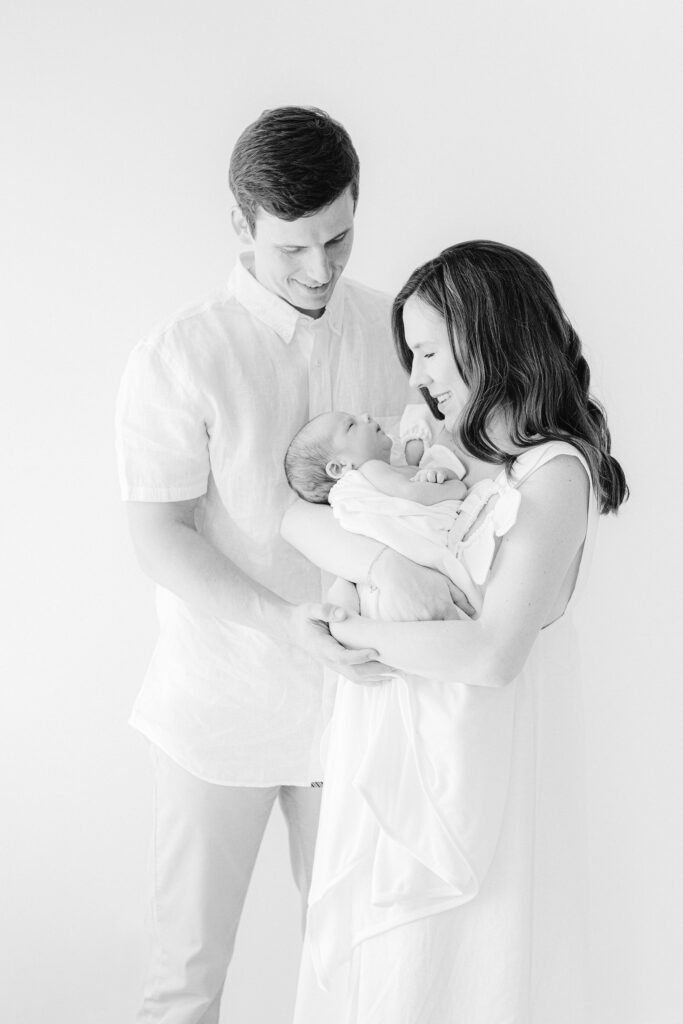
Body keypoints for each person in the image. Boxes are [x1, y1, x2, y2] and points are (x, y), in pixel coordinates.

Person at [115, 106, 465, 1024]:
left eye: (340, 239)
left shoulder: (395, 330)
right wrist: (287, 625)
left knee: (354, 971)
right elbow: (159, 537)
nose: (320, 270)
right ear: (241, 226)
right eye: (293, 249)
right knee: (186, 978)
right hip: (216, 710)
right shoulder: (179, 356)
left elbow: (432, 477)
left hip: (356, 712)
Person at [282, 240, 628, 1024]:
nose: (417, 376)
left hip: (476, 781)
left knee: (455, 981)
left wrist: (357, 631)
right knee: (385, 984)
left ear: (488, 340)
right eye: (413, 353)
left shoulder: (553, 473)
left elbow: (490, 653)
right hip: (395, 759)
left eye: (430, 350)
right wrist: (366, 576)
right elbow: (301, 517)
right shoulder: (436, 458)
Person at [284, 409, 521, 611]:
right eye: (351, 425)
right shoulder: (370, 470)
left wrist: (437, 475)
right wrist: (454, 488)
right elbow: (413, 494)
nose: (365, 416)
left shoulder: (390, 474)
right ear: (340, 467)